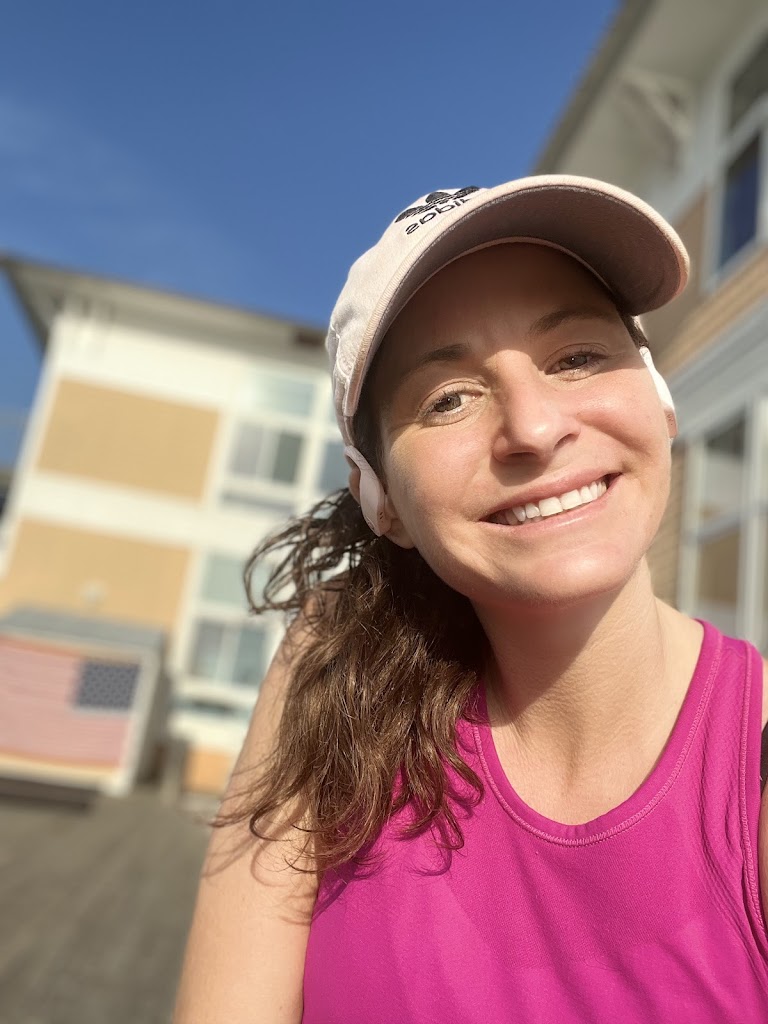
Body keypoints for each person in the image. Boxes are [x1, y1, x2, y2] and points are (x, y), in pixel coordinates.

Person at [173, 176, 768, 1023]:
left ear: (658, 398)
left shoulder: (753, 760)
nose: (534, 428)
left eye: (576, 357)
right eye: (448, 399)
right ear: (380, 496)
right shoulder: (336, 674)